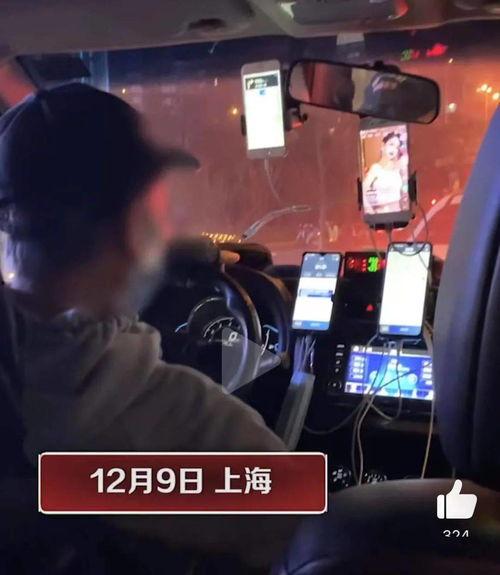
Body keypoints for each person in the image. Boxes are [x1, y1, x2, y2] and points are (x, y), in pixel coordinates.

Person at [0, 84, 297, 567]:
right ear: (129, 227)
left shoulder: (21, 390)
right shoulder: (193, 426)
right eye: (158, 208)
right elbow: (320, 545)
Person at [362, 131, 408, 214]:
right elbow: (362, 191)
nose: (393, 149)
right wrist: (370, 211)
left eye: (397, 147)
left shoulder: (398, 167)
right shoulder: (376, 168)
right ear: (383, 145)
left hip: (398, 213)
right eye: (391, 144)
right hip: (382, 213)